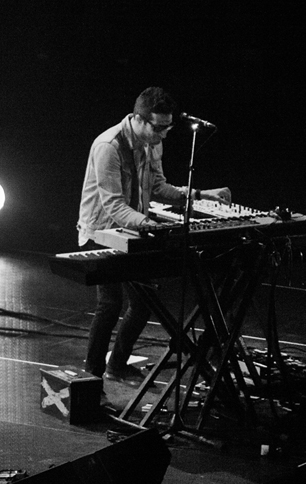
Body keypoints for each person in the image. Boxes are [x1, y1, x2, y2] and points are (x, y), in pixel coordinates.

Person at [76, 86, 231, 384]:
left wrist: (200, 195)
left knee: (144, 301)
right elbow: (114, 206)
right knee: (110, 305)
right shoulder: (108, 146)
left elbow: (159, 187)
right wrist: (153, 226)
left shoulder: (153, 143)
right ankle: (90, 376)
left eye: (168, 127)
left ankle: (116, 365)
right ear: (138, 119)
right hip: (103, 230)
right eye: (159, 127)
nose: (164, 134)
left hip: (133, 227)